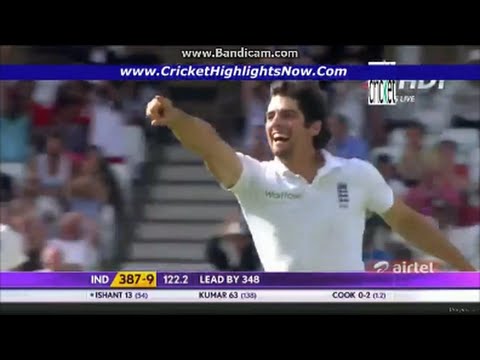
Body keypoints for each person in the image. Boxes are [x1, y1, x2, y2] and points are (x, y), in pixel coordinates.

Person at [146, 81, 476, 272]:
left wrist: (467, 273)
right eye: (270, 116)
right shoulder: (254, 178)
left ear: (314, 127)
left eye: (287, 115)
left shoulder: (357, 174)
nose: (275, 123)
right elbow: (210, 144)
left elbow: (407, 223)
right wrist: (176, 118)